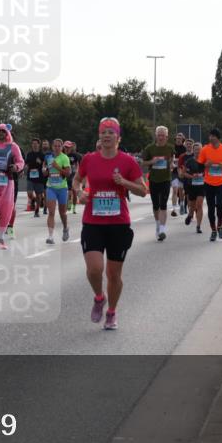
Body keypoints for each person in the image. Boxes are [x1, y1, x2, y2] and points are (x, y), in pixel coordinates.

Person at [74, 118, 147, 330]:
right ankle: (99, 297)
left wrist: (124, 183)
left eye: (111, 132)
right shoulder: (89, 159)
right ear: (100, 137)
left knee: (114, 274)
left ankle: (112, 312)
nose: (106, 135)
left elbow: (143, 190)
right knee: (95, 269)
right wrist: (80, 192)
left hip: (118, 224)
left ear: (118, 137)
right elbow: (77, 180)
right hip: (93, 222)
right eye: (103, 132)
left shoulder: (128, 162)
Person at [198, 128, 222, 241]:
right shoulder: (205, 149)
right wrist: (205, 165)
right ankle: (213, 230)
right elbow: (199, 166)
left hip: (221, 183)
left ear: (217, 137)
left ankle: (220, 227)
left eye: (212, 136)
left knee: (219, 206)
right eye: (210, 136)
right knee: (210, 208)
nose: (210, 138)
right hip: (208, 183)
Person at [141, 126, 174, 242]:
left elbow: (171, 159)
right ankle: (157, 224)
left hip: (166, 179)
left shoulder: (170, 148)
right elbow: (143, 162)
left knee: (163, 204)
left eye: (162, 135)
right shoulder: (150, 148)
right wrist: (152, 161)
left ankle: (162, 230)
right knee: (156, 205)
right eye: (158, 135)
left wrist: (171, 165)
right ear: (156, 136)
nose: (160, 137)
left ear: (166, 136)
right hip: (154, 180)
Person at [44, 138, 72, 244]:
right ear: (52, 147)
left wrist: (58, 167)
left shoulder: (64, 158)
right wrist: (45, 171)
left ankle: (65, 228)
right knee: (51, 212)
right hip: (50, 187)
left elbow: (68, 174)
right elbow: (46, 172)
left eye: (58, 146)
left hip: (62, 188)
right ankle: (50, 236)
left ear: (62, 147)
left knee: (62, 213)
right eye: (55, 146)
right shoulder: (49, 157)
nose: (56, 148)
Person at [180, 140, 205, 233]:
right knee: (192, 206)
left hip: (202, 186)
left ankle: (198, 226)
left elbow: (208, 172)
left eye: (199, 150)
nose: (197, 151)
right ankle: (190, 215)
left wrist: (203, 175)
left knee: (199, 205)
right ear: (193, 150)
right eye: (196, 150)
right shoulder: (189, 161)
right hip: (191, 185)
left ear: (201, 150)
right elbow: (183, 174)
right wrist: (192, 176)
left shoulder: (204, 161)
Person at [24, 139, 46, 217]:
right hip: (30, 176)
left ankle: (37, 211)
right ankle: (33, 200)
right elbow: (26, 163)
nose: (34, 145)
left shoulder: (42, 155)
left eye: (36, 144)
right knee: (30, 193)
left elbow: (45, 165)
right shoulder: (29, 154)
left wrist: (41, 163)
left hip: (39, 177)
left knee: (39, 195)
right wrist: (25, 168)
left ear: (39, 145)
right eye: (33, 143)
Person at [171, 132, 187, 216]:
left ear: (182, 140)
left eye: (180, 139)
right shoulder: (171, 148)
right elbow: (169, 159)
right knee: (174, 189)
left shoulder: (185, 149)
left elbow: (185, 161)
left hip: (181, 171)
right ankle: (174, 209)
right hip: (173, 171)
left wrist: (180, 166)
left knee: (181, 190)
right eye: (177, 138)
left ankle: (181, 204)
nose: (178, 140)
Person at [64, 141, 82, 213]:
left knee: (74, 193)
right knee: (68, 193)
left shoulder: (75, 155)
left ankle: (74, 208)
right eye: (65, 147)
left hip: (73, 176)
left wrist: (78, 173)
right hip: (65, 176)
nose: (67, 149)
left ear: (71, 148)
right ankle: (68, 204)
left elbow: (79, 165)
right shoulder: (62, 155)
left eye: (68, 147)